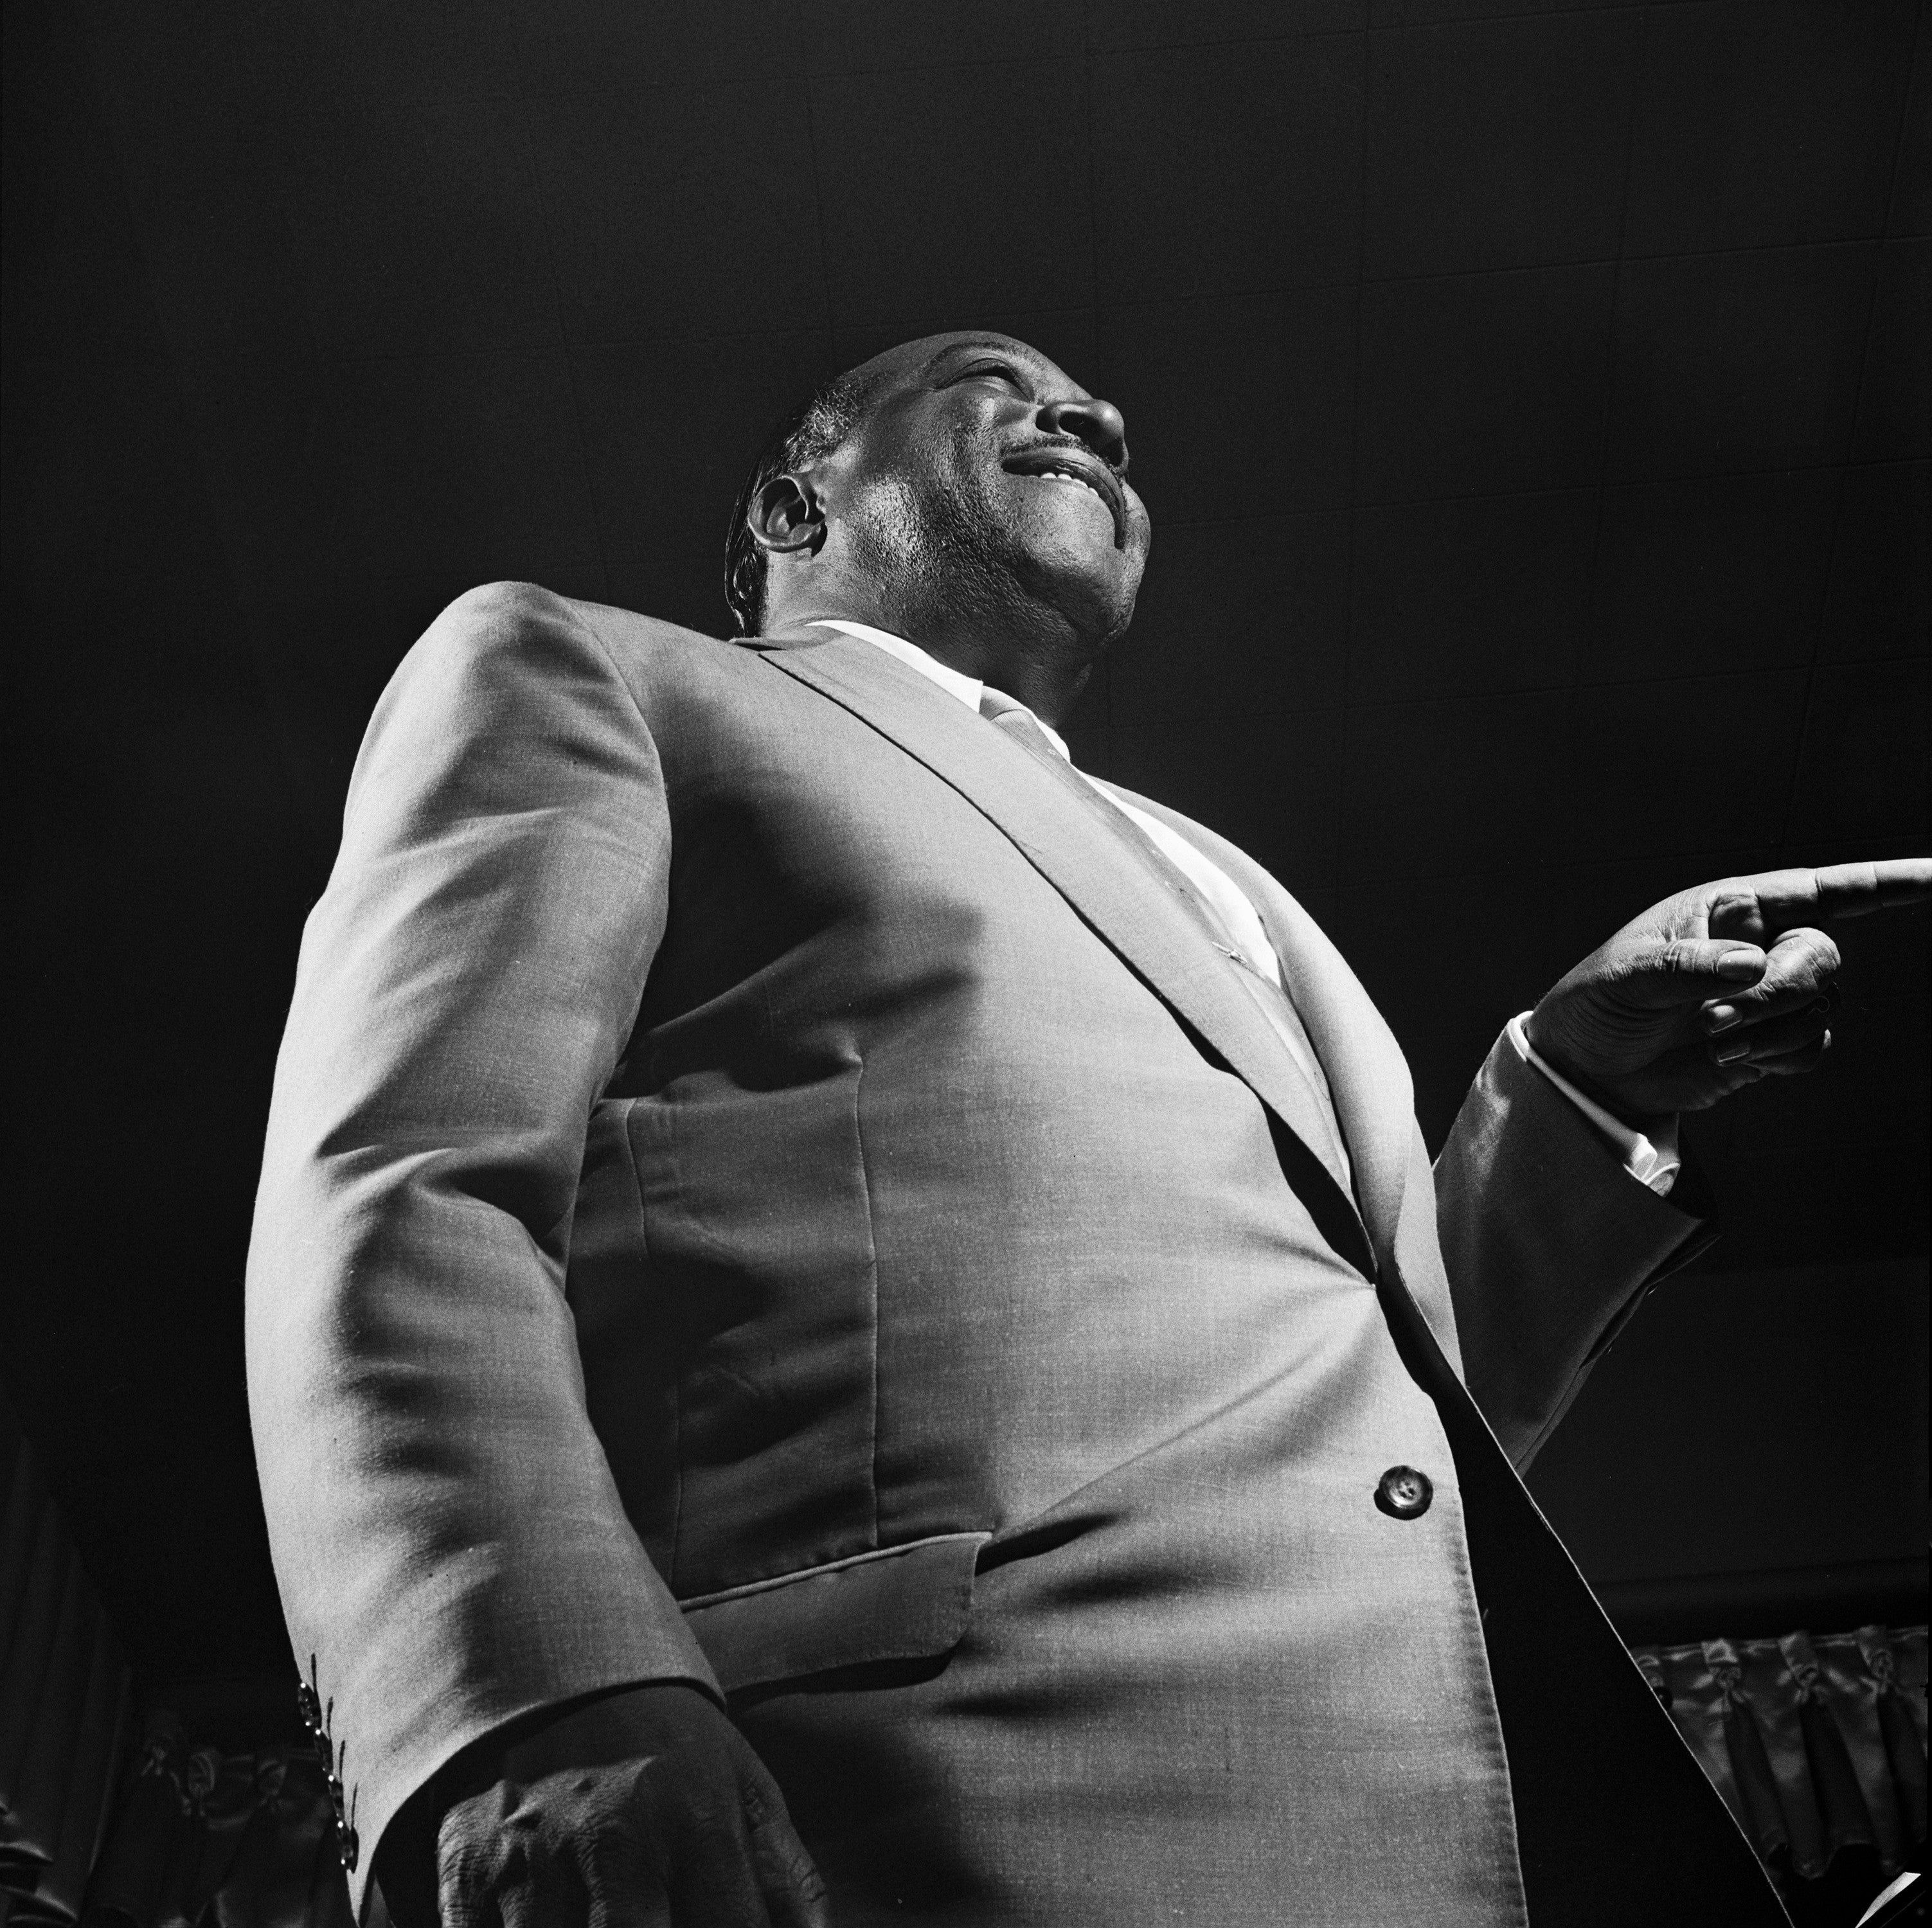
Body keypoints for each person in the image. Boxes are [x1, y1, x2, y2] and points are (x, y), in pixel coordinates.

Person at [246, 330, 1928, 1927]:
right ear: (791, 505)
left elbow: (1395, 1415)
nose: (1093, 422)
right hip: (899, 1815)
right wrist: (524, 1691)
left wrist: (1579, 1084)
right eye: (997, 390)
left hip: (1417, 1837)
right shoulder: (596, 672)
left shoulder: (1241, 891)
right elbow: (409, 1189)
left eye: (1104, 418)